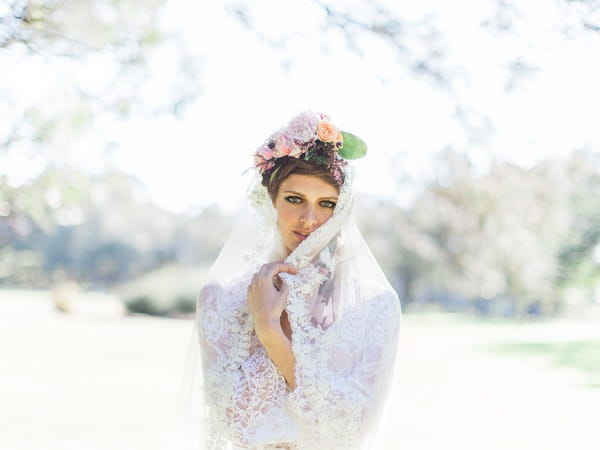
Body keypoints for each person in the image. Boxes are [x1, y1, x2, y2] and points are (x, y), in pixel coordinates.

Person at [173, 111, 402, 450]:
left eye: (326, 204)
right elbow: (233, 423)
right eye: (294, 199)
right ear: (271, 201)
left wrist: (271, 331)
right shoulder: (221, 298)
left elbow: (349, 432)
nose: (309, 219)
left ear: (342, 211)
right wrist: (263, 320)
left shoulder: (375, 305)